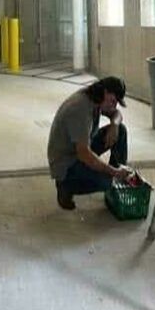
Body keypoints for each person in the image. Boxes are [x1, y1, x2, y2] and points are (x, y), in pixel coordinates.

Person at [47, 76, 134, 210]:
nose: (113, 105)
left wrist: (115, 125)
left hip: (79, 148)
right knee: (106, 181)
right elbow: (84, 154)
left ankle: (116, 178)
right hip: (66, 163)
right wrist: (113, 173)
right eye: (113, 101)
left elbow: (116, 114)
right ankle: (65, 187)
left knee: (120, 131)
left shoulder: (96, 97)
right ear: (105, 92)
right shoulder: (79, 109)